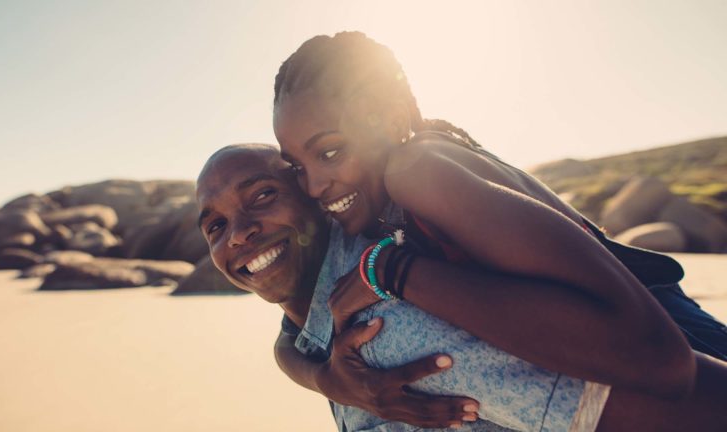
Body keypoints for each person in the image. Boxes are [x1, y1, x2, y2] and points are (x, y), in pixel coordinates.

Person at [197, 144, 727, 431]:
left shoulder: (391, 326)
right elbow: (287, 341)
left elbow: (696, 404)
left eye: (262, 195)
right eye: (214, 226)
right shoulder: (323, 328)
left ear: (314, 196)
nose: (238, 233)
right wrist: (320, 378)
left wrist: (391, 272)